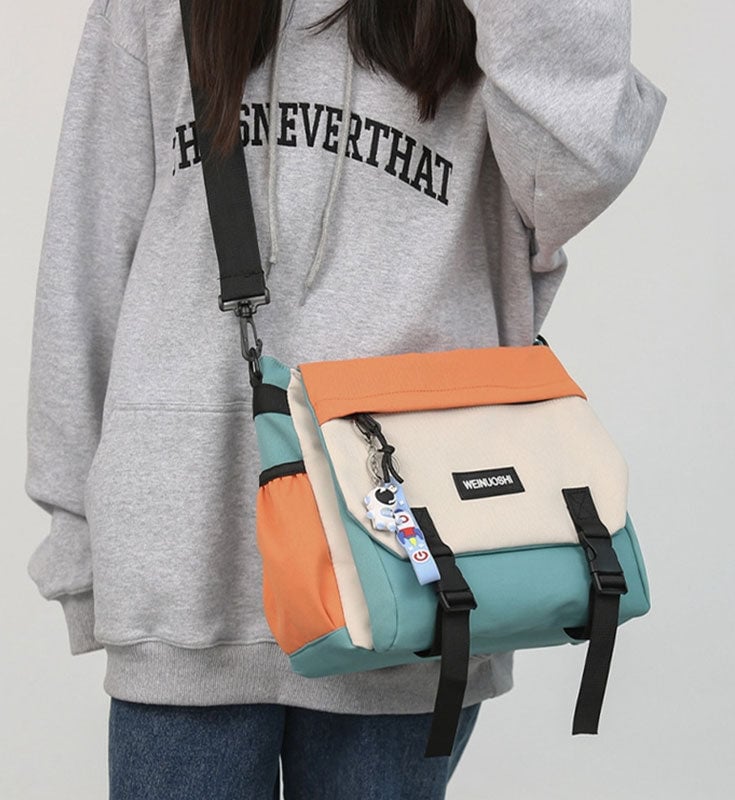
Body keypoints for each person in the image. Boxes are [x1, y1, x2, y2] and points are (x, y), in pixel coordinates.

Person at [23, 0, 667, 796]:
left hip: (417, 566)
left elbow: (581, 167)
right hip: (185, 559)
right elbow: (85, 263)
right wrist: (79, 541)